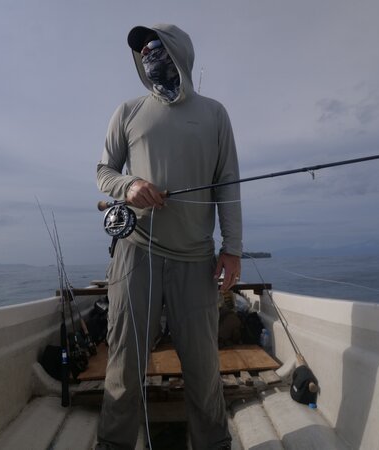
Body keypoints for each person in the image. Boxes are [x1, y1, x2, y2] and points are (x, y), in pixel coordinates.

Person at [95, 23, 242, 450]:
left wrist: (232, 250)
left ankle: (213, 444)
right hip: (135, 253)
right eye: (142, 51)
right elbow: (103, 172)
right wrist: (129, 186)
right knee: (123, 366)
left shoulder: (215, 114)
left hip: (196, 259)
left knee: (203, 369)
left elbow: (227, 184)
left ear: (179, 52)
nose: (147, 55)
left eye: (155, 47)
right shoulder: (127, 112)